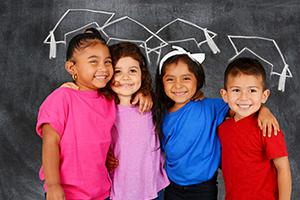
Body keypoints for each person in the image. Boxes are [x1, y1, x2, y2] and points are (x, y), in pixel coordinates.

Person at [154, 46, 280, 200]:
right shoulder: (160, 113)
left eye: (186, 78)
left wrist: (263, 110)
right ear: (162, 82)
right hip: (171, 185)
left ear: (197, 79)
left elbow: (242, 106)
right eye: (170, 79)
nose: (178, 85)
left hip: (203, 188)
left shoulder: (211, 107)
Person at [36, 28, 115, 200]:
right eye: (94, 62)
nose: (103, 68)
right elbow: (50, 143)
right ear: (72, 67)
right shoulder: (61, 98)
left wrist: (105, 154)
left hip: (101, 193)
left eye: (107, 62)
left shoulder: (109, 100)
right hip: (66, 193)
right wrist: (53, 185)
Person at [218, 57, 292, 200]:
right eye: (236, 90)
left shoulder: (268, 128)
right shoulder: (223, 128)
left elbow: (283, 169)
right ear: (225, 95)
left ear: (264, 96)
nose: (244, 97)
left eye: (252, 90)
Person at [107, 42, 169, 200]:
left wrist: (147, 93)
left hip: (151, 185)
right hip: (119, 187)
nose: (125, 77)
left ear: (142, 74)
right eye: (117, 71)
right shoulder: (103, 107)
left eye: (132, 71)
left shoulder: (150, 104)